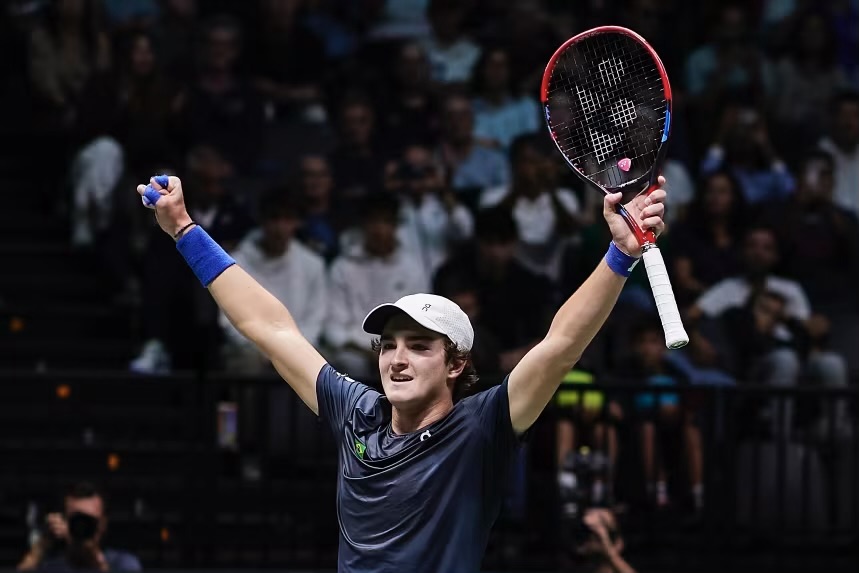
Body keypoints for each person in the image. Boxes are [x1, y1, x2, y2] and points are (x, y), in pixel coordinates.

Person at [135, 170, 668, 572]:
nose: (397, 359)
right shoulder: (356, 412)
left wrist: (619, 256)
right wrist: (184, 230)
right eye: (388, 345)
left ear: (456, 364)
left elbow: (560, 347)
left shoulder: (480, 428)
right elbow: (270, 328)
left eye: (418, 346)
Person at [17, 482, 141, 572]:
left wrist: (91, 554)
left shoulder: (122, 563)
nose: (82, 527)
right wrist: (43, 543)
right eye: (77, 520)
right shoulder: (52, 567)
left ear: (103, 523)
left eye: (89, 521)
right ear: (65, 521)